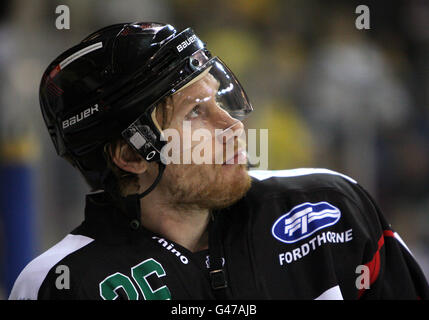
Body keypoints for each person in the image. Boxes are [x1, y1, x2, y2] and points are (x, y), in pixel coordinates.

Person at [9, 22, 429, 300]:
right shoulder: (64, 284)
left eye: (220, 99)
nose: (231, 125)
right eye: (195, 112)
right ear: (132, 154)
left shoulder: (329, 209)